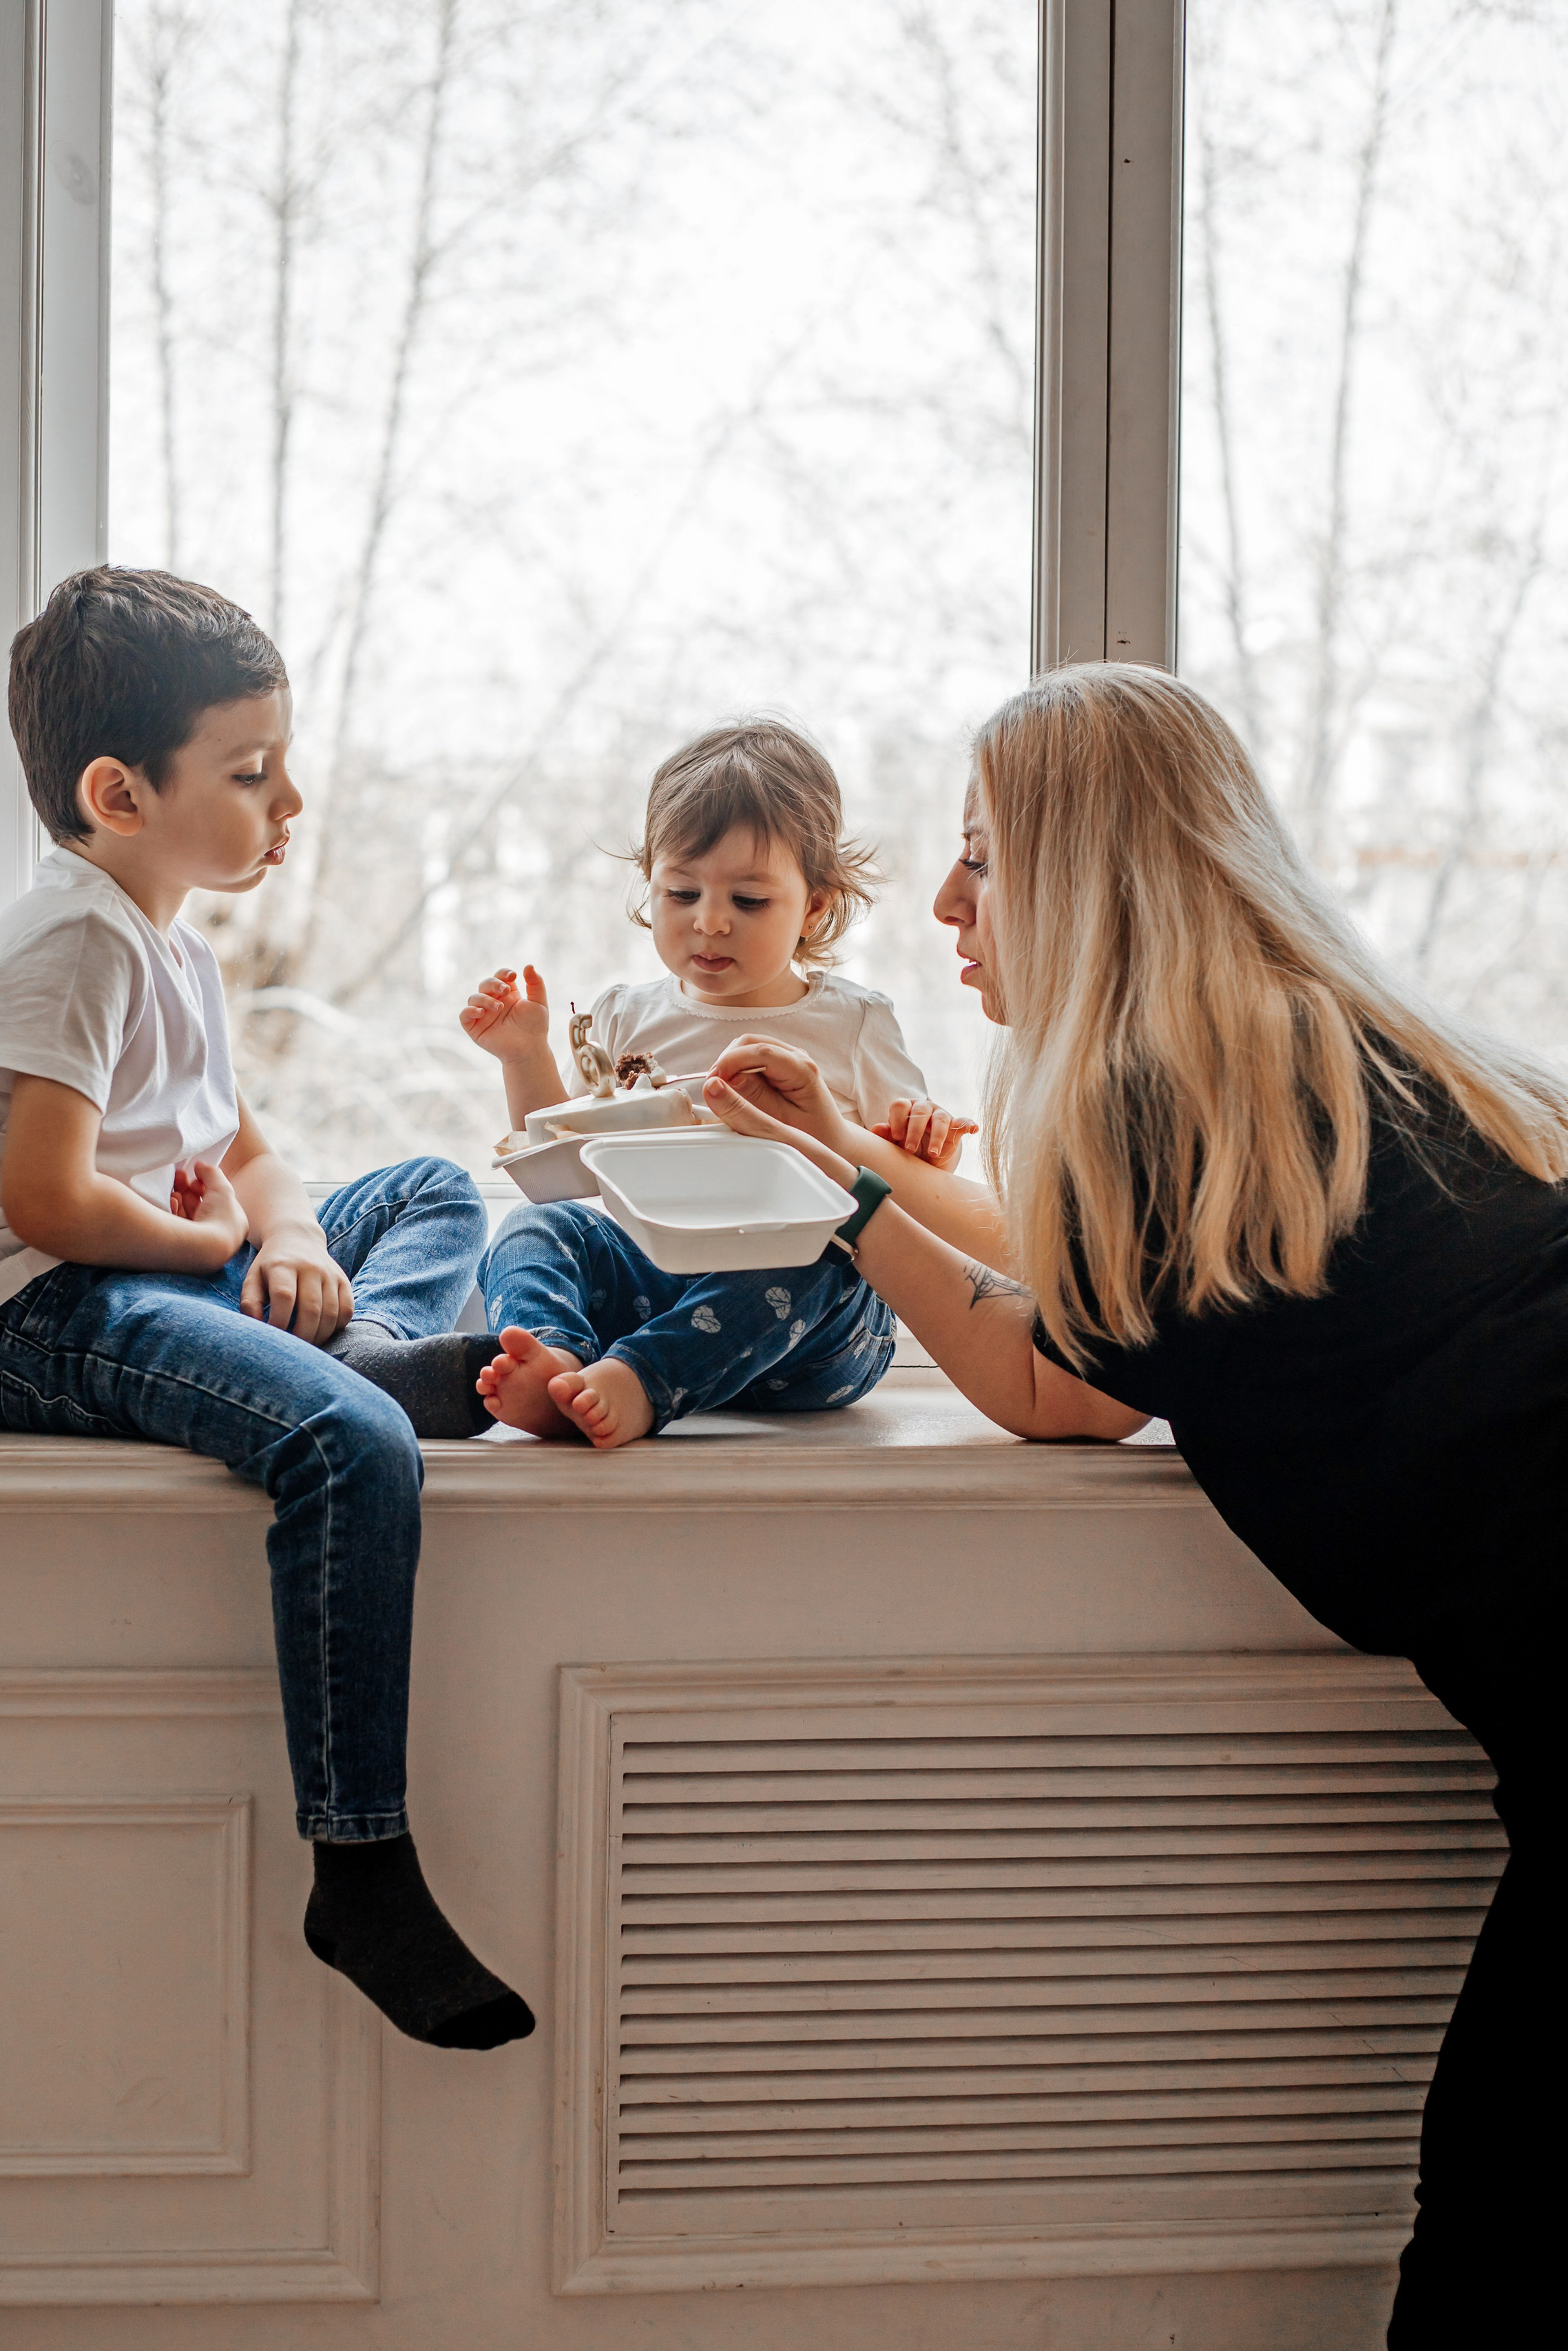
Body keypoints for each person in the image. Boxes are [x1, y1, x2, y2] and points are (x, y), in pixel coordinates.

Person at [700, 662, 1562, 2348]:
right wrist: (840, 1164)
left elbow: (1046, 1382)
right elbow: (1096, 1300)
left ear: (1088, 877)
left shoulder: (1157, 1100)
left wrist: (833, 1183)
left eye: (982, 858)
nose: (944, 904)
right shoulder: (1312, 1058)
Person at [0, 566, 530, 2053]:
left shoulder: (166, 932)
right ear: (119, 790)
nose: (289, 799)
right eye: (251, 773)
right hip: (36, 1305)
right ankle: (358, 1864)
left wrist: (289, 1229)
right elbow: (48, 1200)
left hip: (153, 1257)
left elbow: (240, 1146)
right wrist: (219, 1246)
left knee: (431, 1185)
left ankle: (353, 1339)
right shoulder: (71, 941)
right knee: (354, 1445)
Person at [459, 720, 974, 1447]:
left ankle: (639, 1381)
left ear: (815, 906)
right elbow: (560, 1161)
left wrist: (929, 1140)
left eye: (749, 901)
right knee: (532, 1227)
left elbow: (910, 1185)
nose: (709, 922)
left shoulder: (853, 1021)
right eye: (681, 891)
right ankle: (561, 1364)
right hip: (660, 1290)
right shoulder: (623, 1016)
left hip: (810, 1332)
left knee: (831, 1245)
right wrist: (522, 1055)